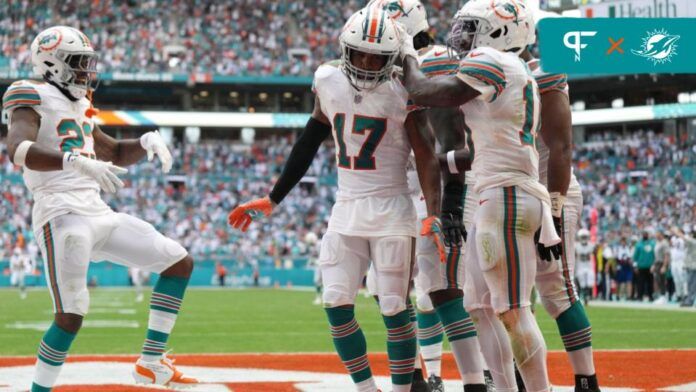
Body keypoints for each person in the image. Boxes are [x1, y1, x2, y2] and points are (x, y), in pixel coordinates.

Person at [228, 6, 443, 391]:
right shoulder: (328, 79)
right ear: (345, 47)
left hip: (393, 207)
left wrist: (434, 213)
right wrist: (273, 197)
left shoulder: (404, 89)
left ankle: (402, 388)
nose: (365, 60)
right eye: (358, 51)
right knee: (335, 301)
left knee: (395, 307)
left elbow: (427, 154)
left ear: (392, 56)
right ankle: (365, 388)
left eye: (375, 55)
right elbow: (310, 138)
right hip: (347, 207)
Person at [4, 26, 197, 391]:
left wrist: (145, 140)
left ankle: (151, 364)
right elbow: (17, 149)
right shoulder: (29, 93)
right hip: (60, 213)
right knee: (71, 315)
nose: (86, 72)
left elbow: (113, 153)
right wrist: (73, 161)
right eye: (78, 64)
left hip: (97, 210)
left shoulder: (80, 104)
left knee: (178, 262)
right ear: (52, 64)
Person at [398, 1, 557, 390]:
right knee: (480, 305)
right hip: (500, 189)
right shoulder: (511, 70)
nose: (461, 37)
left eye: (470, 28)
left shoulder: (493, 59)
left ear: (501, 32)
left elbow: (425, 89)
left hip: (506, 195)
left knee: (512, 310)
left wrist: (404, 56)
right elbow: (470, 148)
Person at [365, 1, 489, 391]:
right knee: (386, 286)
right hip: (411, 187)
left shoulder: (431, 60)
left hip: (445, 184)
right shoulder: (396, 67)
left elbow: (451, 135)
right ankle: (418, 374)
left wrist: (449, 206)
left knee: (444, 287)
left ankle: (476, 379)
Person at [520, 9, 600, 387]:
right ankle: (524, 380)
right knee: (511, 294)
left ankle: (587, 381)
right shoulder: (484, 76)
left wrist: (551, 209)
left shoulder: (542, 75)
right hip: (514, 193)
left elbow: (561, 147)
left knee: (555, 287)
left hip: (551, 190)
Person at [672, 227, 696, 307]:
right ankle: (689, 299)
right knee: (690, 284)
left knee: (691, 284)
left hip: (693, 266)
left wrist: (677, 231)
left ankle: (690, 300)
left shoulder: (693, 242)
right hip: (690, 265)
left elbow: (685, 238)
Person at [633, 229, 656, 302]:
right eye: (644, 234)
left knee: (650, 282)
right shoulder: (638, 244)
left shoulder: (653, 244)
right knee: (640, 283)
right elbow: (635, 256)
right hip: (641, 266)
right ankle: (640, 296)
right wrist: (635, 266)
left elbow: (655, 255)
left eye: (646, 234)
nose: (645, 235)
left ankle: (650, 296)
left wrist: (654, 264)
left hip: (650, 266)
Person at [652, 230, 670, 304]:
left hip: (662, 262)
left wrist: (664, 266)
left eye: (657, 233)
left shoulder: (664, 243)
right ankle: (662, 295)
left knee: (661, 280)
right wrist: (653, 265)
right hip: (657, 262)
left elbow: (666, 255)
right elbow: (656, 256)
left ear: (661, 234)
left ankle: (663, 296)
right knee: (657, 280)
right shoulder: (657, 243)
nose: (656, 235)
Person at [615, 237, 634, 301]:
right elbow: (616, 258)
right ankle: (617, 295)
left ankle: (629, 296)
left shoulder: (629, 248)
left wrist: (630, 262)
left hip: (627, 267)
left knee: (629, 281)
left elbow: (631, 257)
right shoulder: (618, 249)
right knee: (618, 282)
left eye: (624, 241)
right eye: (622, 241)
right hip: (620, 266)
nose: (623, 242)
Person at [670, 234, 687, 303]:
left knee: (683, 279)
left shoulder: (683, 239)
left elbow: (679, 244)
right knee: (676, 279)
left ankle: (685, 294)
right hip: (674, 261)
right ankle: (679, 294)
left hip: (681, 261)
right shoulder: (673, 239)